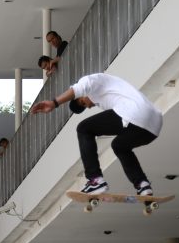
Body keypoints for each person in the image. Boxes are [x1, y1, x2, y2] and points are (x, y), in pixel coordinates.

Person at [31, 73, 162, 195]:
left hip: (134, 113)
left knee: (84, 129)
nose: (88, 106)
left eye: (83, 102)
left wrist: (54, 103)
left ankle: (95, 180)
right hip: (153, 127)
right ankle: (142, 184)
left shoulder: (93, 81)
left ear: (82, 95)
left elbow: (78, 88)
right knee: (119, 146)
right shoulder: (108, 98)